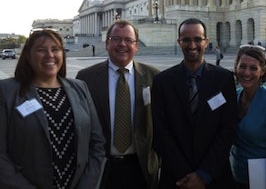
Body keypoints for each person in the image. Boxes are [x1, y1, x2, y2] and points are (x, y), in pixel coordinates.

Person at [0, 28, 105, 189]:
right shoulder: (7, 91)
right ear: (28, 55)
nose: (50, 55)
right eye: (41, 50)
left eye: (55, 49)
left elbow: (96, 144)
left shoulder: (80, 88)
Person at [151, 18, 237, 188]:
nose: (192, 45)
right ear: (179, 42)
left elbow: (227, 129)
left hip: (215, 177)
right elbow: (160, 131)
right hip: (176, 178)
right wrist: (186, 175)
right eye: (186, 40)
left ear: (206, 41)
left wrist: (204, 175)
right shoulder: (162, 81)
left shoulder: (224, 79)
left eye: (197, 39)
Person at [76, 20, 160, 189]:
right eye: (116, 39)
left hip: (141, 168)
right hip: (101, 167)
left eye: (128, 40)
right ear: (107, 43)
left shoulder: (154, 76)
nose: (122, 44)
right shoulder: (86, 78)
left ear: (136, 46)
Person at [230, 44, 266, 189]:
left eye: (253, 68)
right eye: (242, 66)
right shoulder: (234, 96)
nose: (246, 73)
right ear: (236, 67)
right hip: (234, 175)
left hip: (261, 179)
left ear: (262, 71)